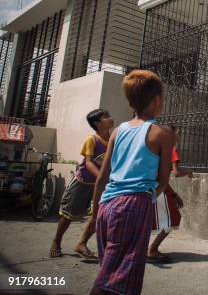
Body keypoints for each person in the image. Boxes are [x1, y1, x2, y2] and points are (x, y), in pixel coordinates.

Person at [90, 70, 174, 295]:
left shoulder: (118, 131)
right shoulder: (162, 133)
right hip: (134, 206)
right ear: (157, 100)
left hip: (106, 205)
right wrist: (144, 198)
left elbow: (101, 177)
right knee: (116, 281)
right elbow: (164, 180)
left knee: (109, 270)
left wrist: (94, 211)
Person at [50, 109, 114, 259]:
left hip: (100, 185)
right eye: (106, 117)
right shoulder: (91, 140)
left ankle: (82, 243)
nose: (110, 118)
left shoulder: (113, 139)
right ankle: (56, 241)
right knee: (68, 215)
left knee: (97, 215)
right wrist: (101, 178)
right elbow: (88, 162)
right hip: (82, 182)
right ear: (97, 123)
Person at [148, 126, 192, 262]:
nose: (179, 134)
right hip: (159, 189)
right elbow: (176, 172)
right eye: (177, 132)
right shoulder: (171, 148)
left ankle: (145, 248)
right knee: (173, 219)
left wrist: (174, 194)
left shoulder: (157, 148)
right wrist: (189, 171)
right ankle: (152, 249)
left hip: (152, 187)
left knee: (148, 219)